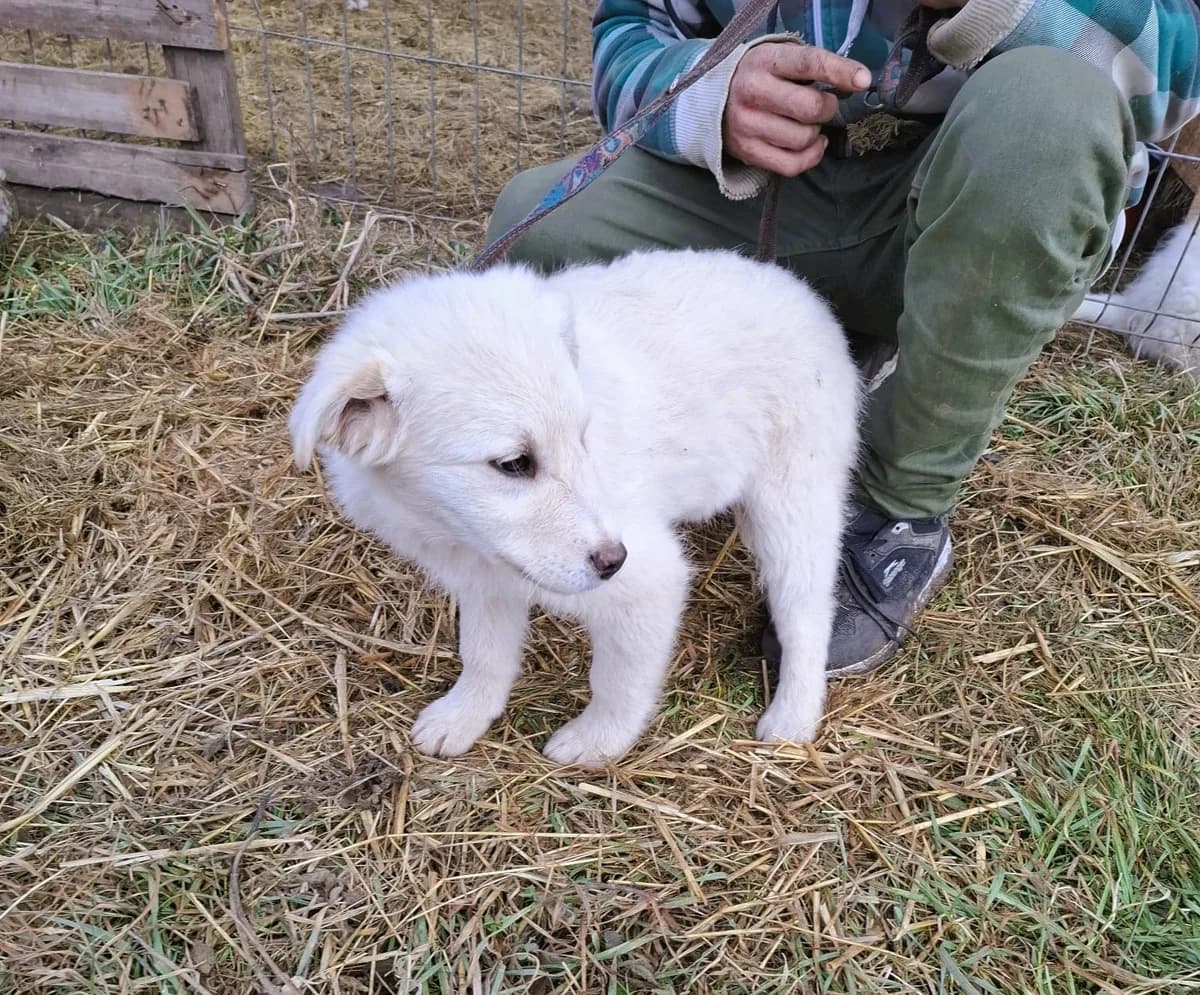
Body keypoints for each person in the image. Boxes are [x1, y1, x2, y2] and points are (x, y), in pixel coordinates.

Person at [486, 1, 1200, 677]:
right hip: (764, 189)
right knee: (540, 232)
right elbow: (629, 31)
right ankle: (811, 355)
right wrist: (713, 93)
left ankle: (902, 501)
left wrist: (996, 9)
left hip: (962, 188)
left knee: (1048, 118)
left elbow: (1179, 71)